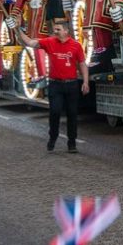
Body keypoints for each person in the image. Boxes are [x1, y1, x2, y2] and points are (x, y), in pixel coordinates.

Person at [15, 21, 89, 153]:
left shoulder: (76, 46)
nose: (55, 32)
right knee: (54, 112)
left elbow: (82, 64)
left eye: (58, 29)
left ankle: (72, 143)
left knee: (72, 114)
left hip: (71, 84)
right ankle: (52, 137)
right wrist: (18, 30)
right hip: (55, 84)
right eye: (55, 29)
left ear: (66, 31)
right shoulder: (49, 42)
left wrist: (85, 82)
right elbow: (30, 43)